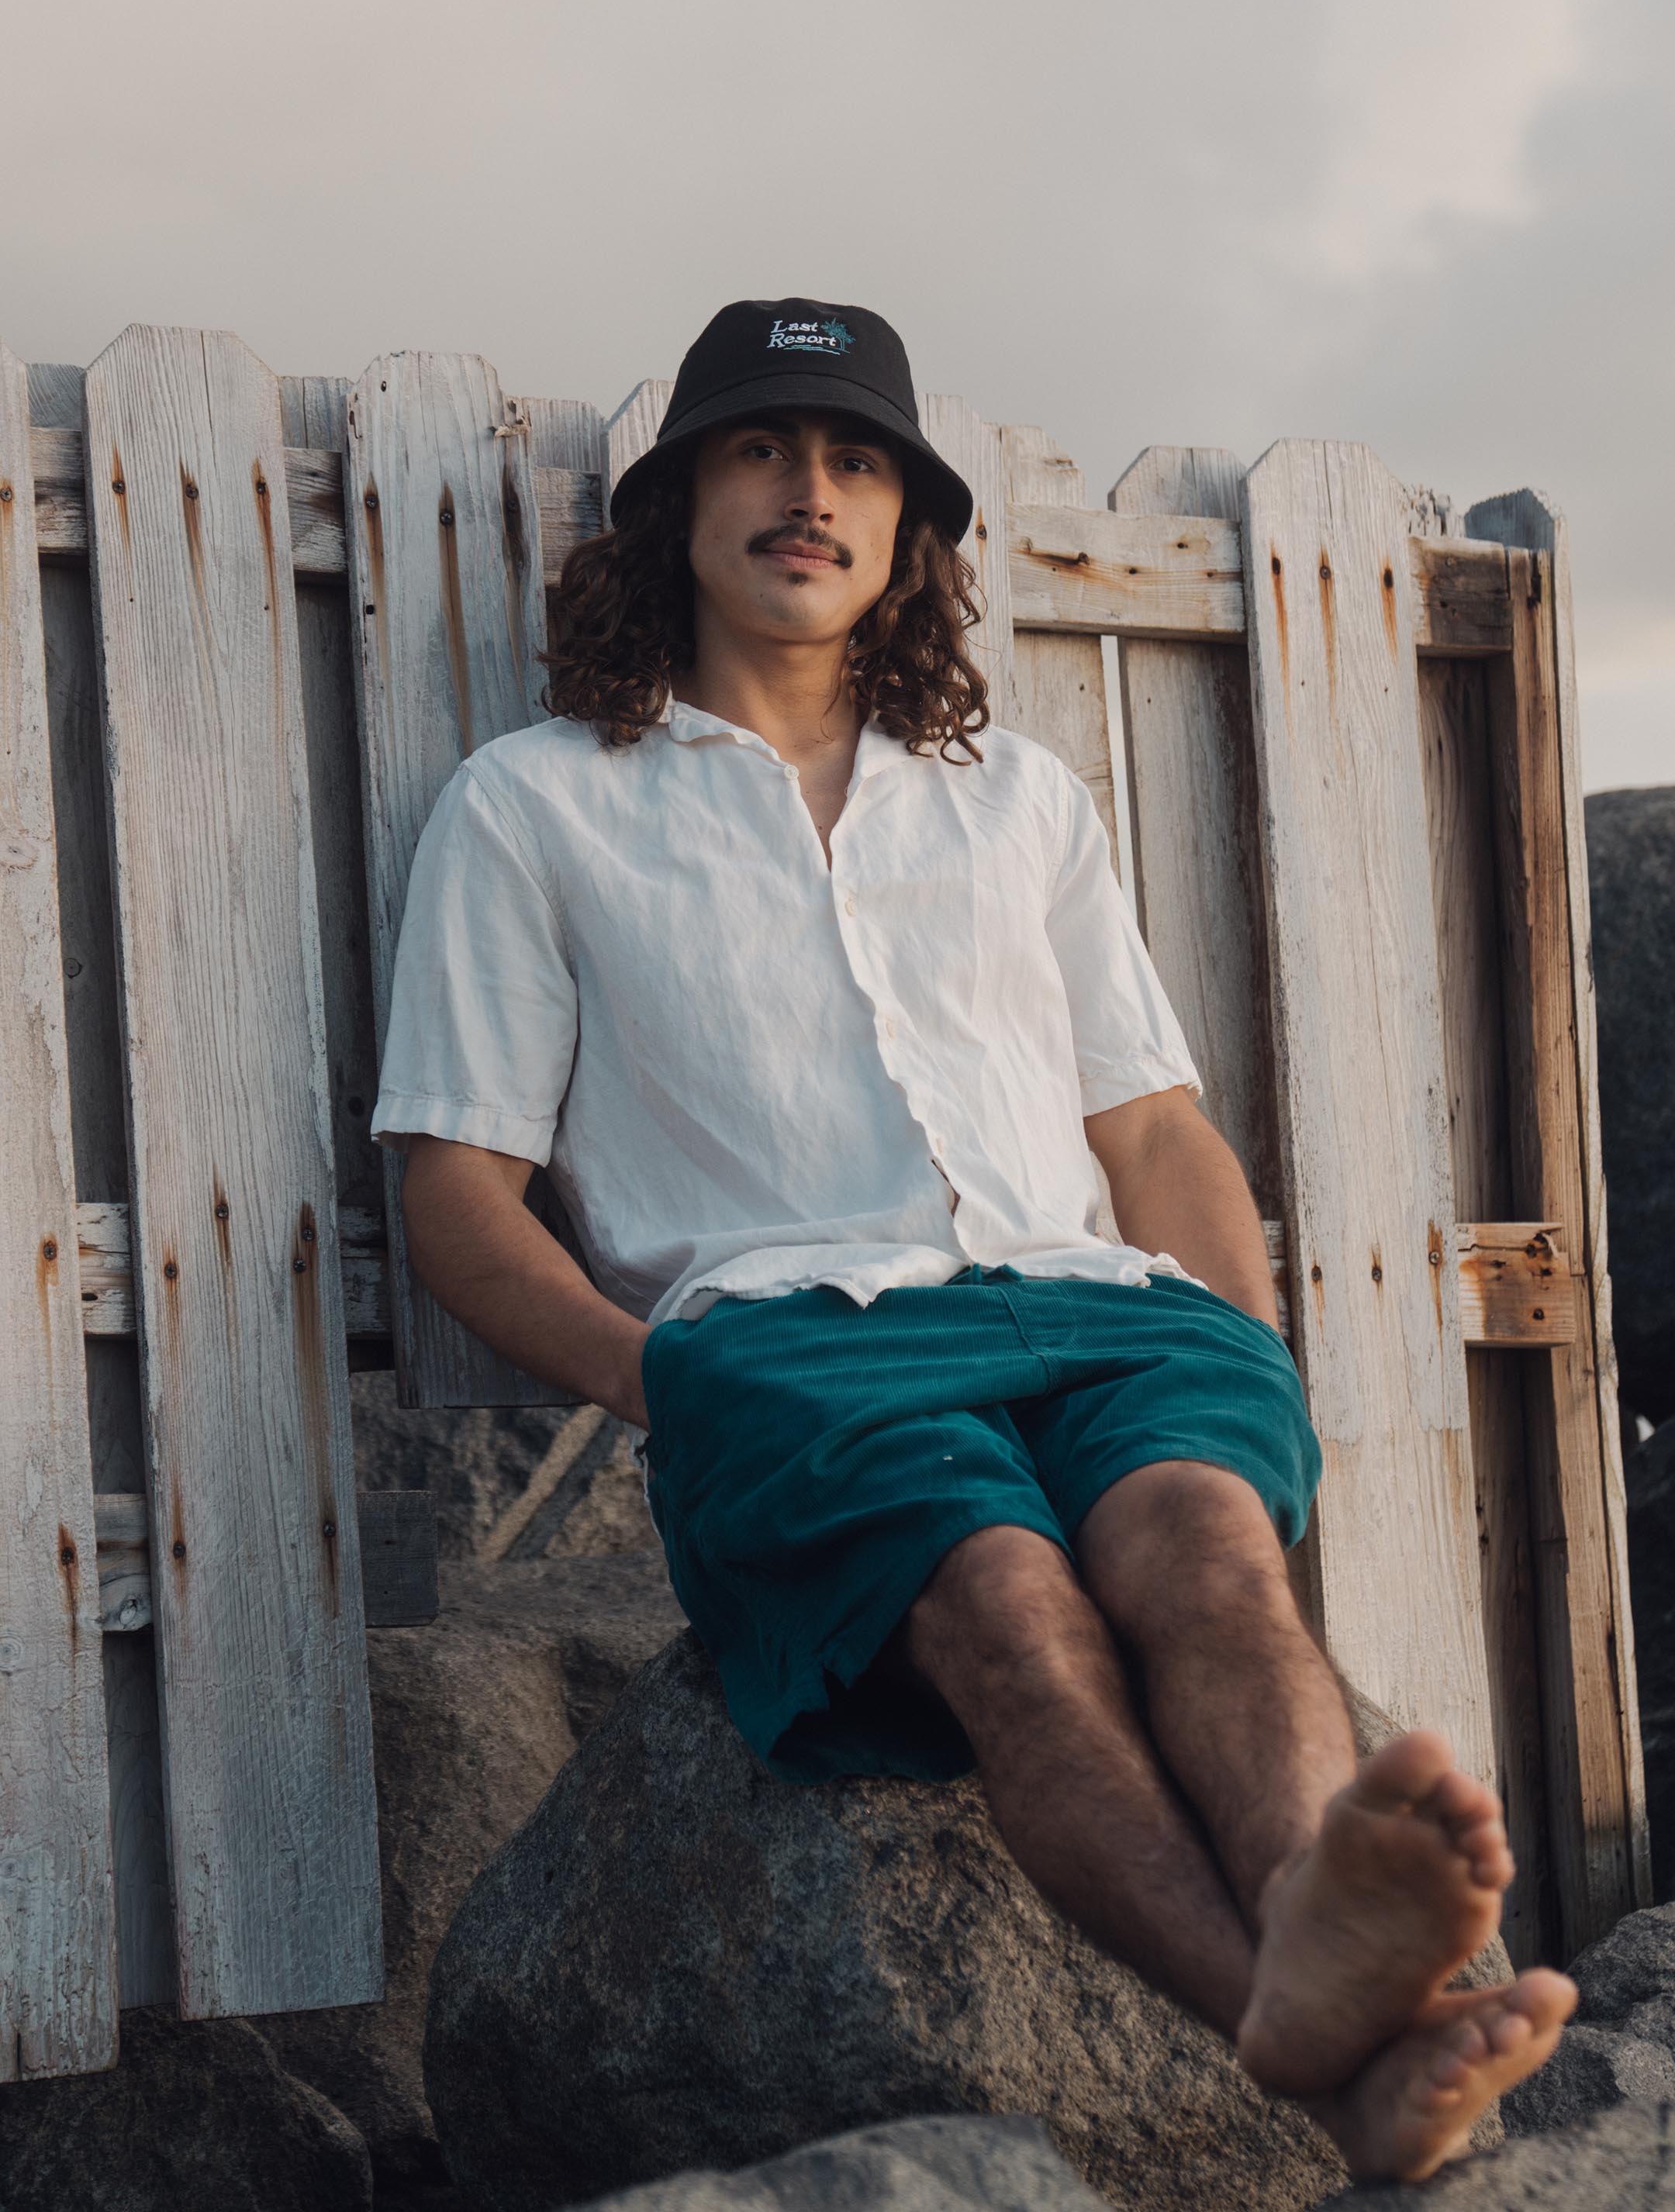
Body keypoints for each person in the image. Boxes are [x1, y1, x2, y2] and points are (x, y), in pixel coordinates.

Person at [370, 295, 1576, 2180]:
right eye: (766, 448)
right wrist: (667, 1380)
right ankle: (1332, 2045)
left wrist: (1239, 1345)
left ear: (903, 534)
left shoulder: (1017, 804)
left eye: (857, 461)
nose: (811, 491)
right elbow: (454, 1193)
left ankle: (1335, 2010)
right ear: (681, 501)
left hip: (1099, 1308)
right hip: (791, 1338)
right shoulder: (533, 810)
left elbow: (1153, 1126)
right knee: (1008, 1605)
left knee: (1205, 1548)